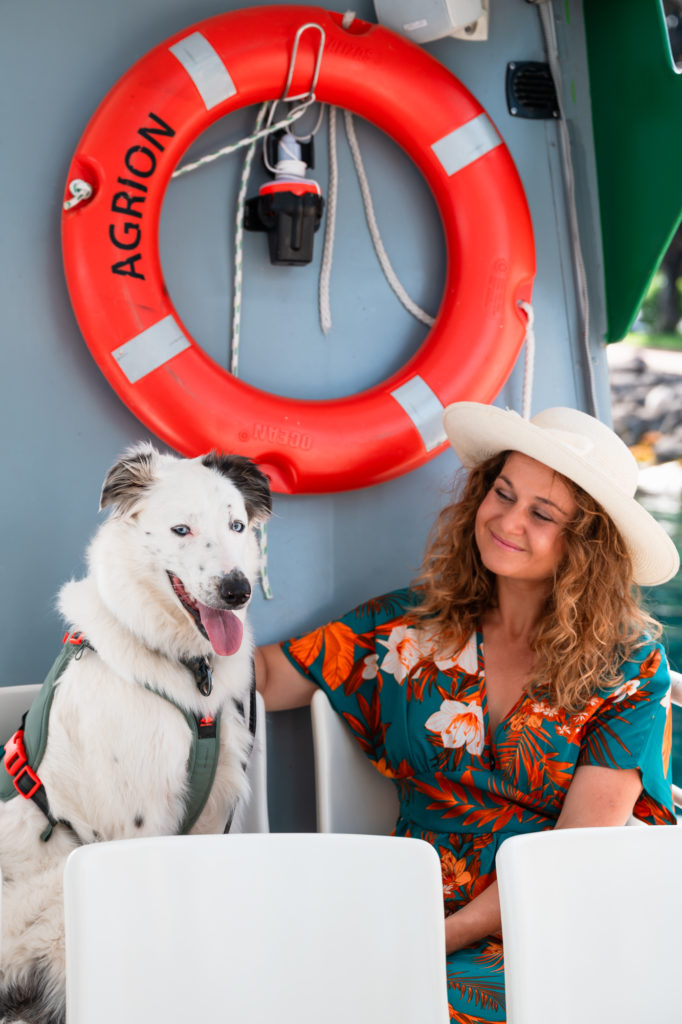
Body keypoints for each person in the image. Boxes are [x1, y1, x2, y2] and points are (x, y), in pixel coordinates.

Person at [255, 402, 680, 1024]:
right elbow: (266, 676)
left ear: (586, 546)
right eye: (502, 493)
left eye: (542, 513)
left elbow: (571, 857)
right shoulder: (409, 628)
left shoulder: (629, 668)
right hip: (410, 902)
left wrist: (429, 939)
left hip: (551, 915)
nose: (508, 520)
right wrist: (129, 650)